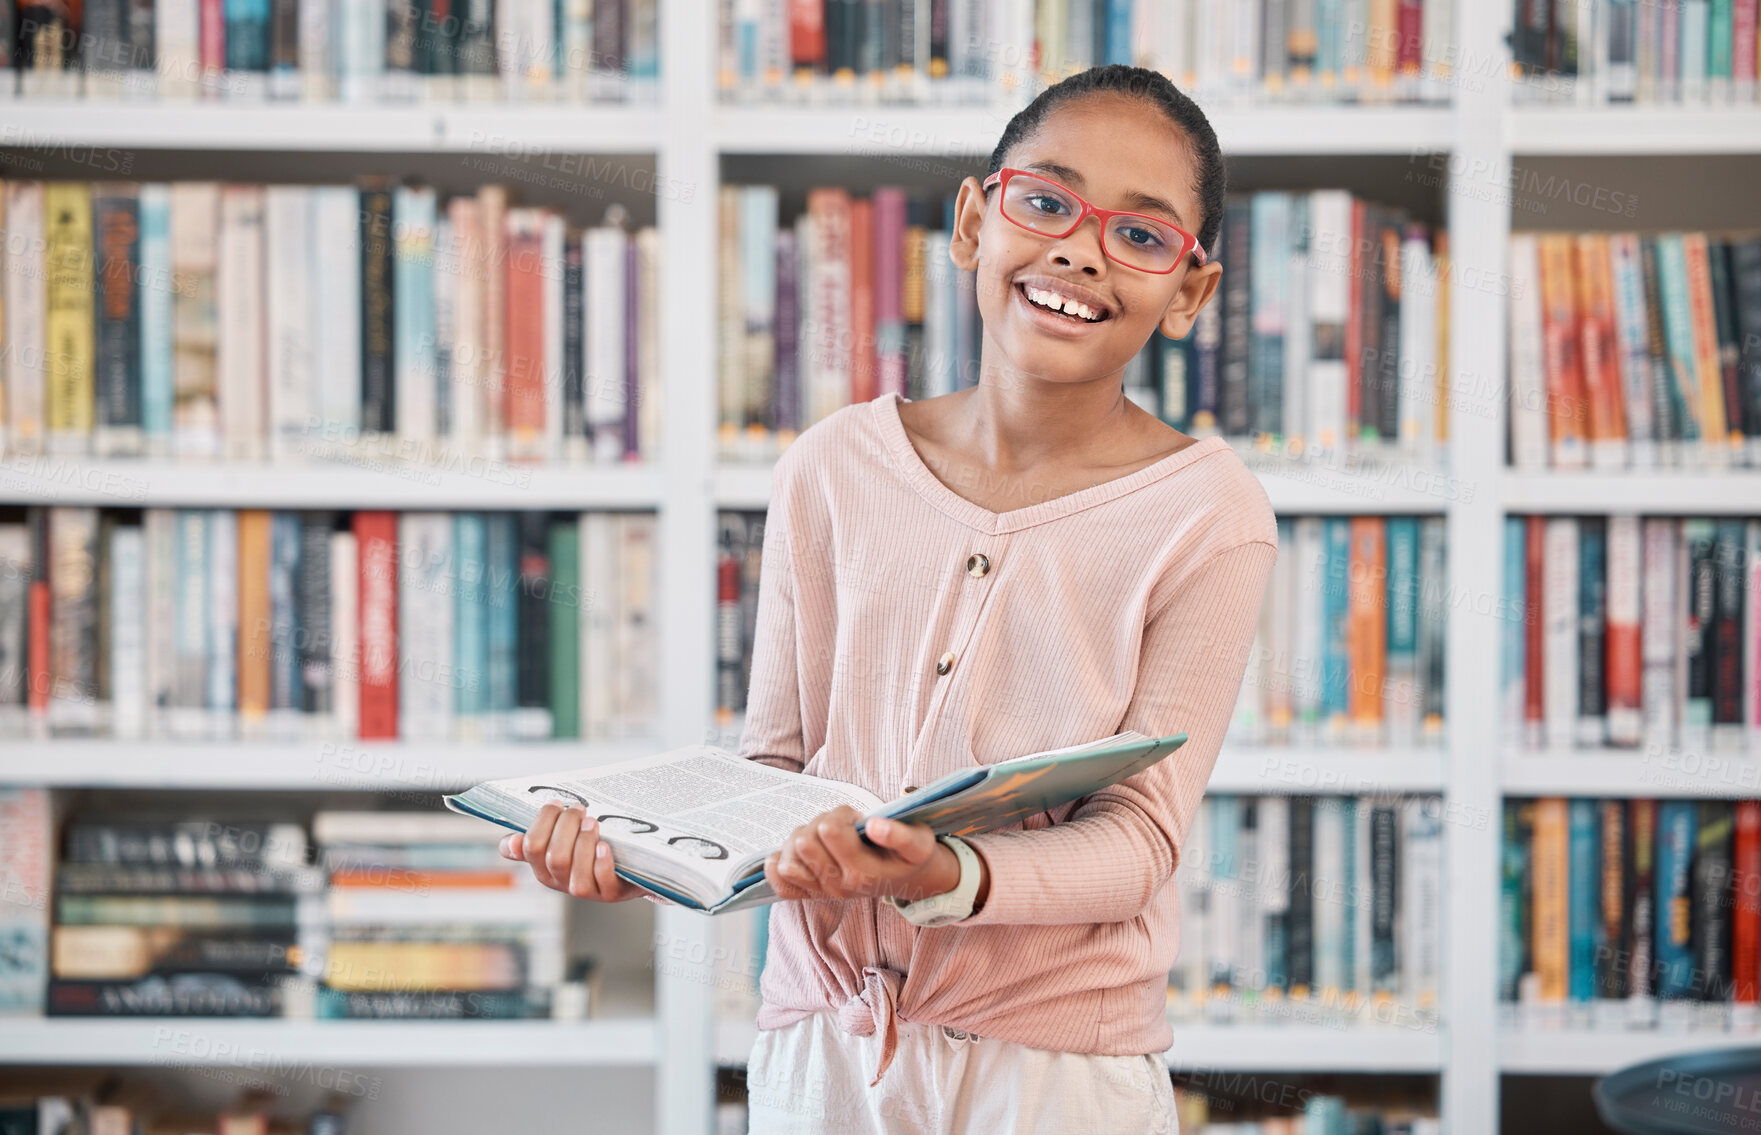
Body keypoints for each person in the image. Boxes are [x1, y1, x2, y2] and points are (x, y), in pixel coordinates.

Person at [500, 63, 1277, 1135]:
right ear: (972, 221)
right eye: (1044, 201)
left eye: (1141, 236)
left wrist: (952, 871)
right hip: (822, 1056)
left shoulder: (1211, 514)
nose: (1081, 248)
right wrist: (650, 855)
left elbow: (1139, 840)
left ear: (1191, 291)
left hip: (1052, 1076)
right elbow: (772, 772)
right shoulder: (832, 467)